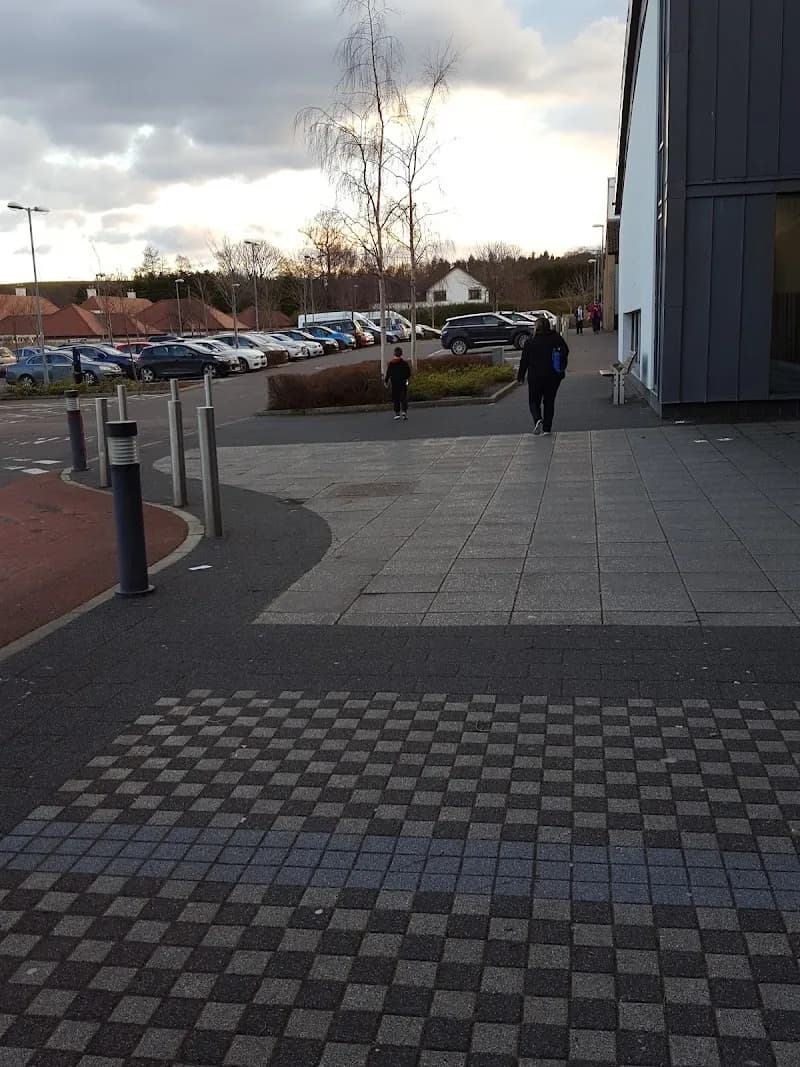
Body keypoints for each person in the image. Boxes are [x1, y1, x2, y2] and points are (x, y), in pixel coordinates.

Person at [517, 317, 569, 436]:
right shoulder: (556, 338)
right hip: (553, 376)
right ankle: (547, 428)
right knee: (549, 402)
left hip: (535, 376)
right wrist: (561, 367)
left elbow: (524, 360)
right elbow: (565, 351)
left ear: (537, 327)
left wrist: (520, 376)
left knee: (533, 401)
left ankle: (537, 419)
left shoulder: (531, 341)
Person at [384, 346, 411, 420]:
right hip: (403, 382)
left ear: (394, 354)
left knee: (396, 398)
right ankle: (404, 412)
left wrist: (386, 381)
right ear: (401, 354)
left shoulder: (391, 364)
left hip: (394, 383)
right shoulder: (404, 363)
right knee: (403, 397)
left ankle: (397, 413)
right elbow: (408, 373)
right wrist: (406, 378)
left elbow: (388, 373)